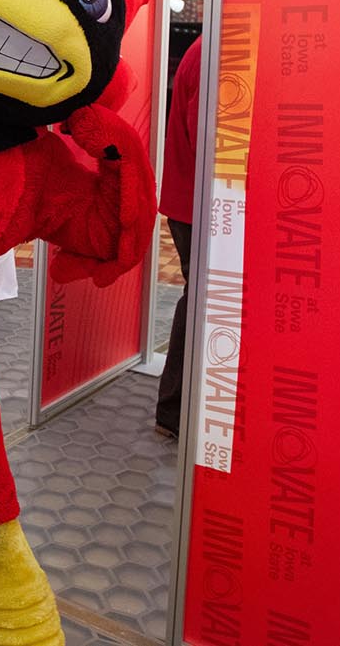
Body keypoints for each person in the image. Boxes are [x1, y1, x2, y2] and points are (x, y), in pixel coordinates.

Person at [154, 36, 202, 437]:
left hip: (194, 204)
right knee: (201, 302)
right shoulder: (214, 51)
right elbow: (205, 136)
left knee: (199, 300)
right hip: (198, 207)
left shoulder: (209, 48)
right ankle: (174, 412)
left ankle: (177, 410)